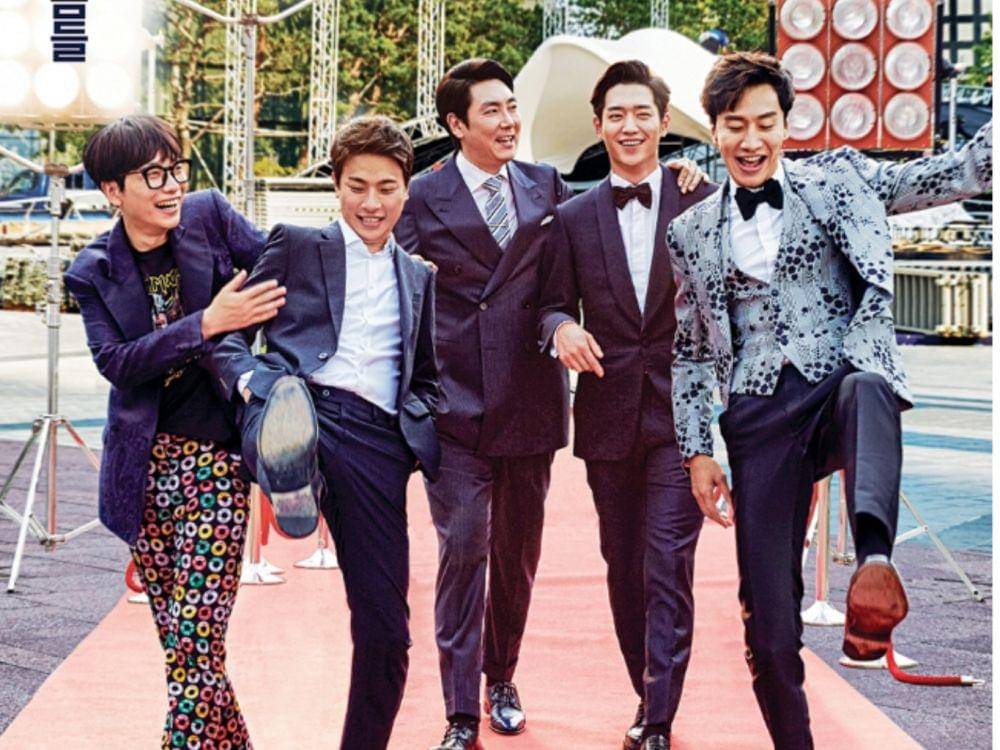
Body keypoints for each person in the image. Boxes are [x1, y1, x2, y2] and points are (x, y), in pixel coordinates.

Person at [667, 52, 993, 749]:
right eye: (734, 125)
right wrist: (697, 451)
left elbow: (961, 172)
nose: (750, 140)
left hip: (833, 385)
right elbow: (689, 351)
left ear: (787, 126)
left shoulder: (841, 180)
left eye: (765, 123)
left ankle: (874, 562)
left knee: (868, 386)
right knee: (768, 627)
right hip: (756, 420)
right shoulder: (689, 232)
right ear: (714, 130)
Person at [209, 115, 440, 750]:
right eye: (357, 186)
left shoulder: (418, 276)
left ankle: (295, 487)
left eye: (386, 188)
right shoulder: (296, 244)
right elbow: (229, 333)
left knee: (387, 631)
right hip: (300, 399)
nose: (372, 203)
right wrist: (251, 382)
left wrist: (411, 438)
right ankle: (288, 466)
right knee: (285, 405)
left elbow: (425, 375)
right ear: (336, 186)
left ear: (406, 190)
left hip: (376, 443)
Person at [63, 114, 281, 749]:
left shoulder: (209, 216)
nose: (171, 186)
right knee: (187, 649)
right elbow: (117, 362)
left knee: (195, 641)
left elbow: (280, 269)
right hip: (143, 473)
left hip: (215, 462)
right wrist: (206, 323)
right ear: (113, 190)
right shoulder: (92, 270)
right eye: (152, 175)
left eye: (175, 169)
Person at [394, 58, 573, 750]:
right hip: (455, 406)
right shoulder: (420, 196)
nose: (508, 121)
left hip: (530, 400)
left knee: (517, 555)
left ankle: (502, 677)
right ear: (456, 124)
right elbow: (397, 293)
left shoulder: (545, 184)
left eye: (511, 107)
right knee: (464, 548)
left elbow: (573, 266)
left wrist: (680, 180)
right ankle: (459, 709)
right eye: (491, 111)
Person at [537, 60, 713, 750]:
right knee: (623, 564)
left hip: (682, 416)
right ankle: (646, 692)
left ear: (665, 122)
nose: (630, 126)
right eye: (617, 115)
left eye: (642, 113)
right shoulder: (573, 217)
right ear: (599, 125)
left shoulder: (701, 201)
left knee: (667, 563)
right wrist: (561, 328)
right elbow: (550, 304)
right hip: (607, 415)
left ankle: (658, 718)